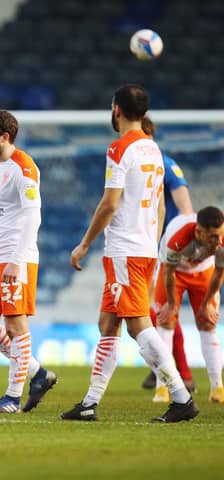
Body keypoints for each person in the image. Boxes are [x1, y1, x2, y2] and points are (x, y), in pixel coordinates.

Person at [60, 84, 198, 423]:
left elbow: (110, 204)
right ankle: (90, 402)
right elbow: (163, 208)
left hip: (125, 249)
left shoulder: (120, 149)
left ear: (116, 110)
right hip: (143, 247)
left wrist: (84, 243)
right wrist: (152, 242)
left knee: (138, 325)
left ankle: (181, 397)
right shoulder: (153, 149)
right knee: (108, 323)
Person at [0, 110, 57, 414]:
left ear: (4, 137)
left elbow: (33, 216)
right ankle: (37, 373)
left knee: (15, 325)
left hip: (15, 258)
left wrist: (16, 260)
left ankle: (11, 397)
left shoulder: (24, 167)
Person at [139, 117, 196, 397]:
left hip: (165, 248)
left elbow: (186, 208)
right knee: (148, 309)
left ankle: (182, 374)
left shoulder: (167, 164)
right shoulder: (135, 163)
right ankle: (162, 364)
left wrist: (182, 246)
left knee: (162, 311)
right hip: (143, 243)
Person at [153, 207, 224, 403]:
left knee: (208, 324)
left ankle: (218, 387)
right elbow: (168, 272)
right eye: (212, 237)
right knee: (166, 323)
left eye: (219, 235)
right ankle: (162, 389)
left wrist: (207, 303)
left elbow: (219, 272)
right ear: (198, 232)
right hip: (173, 272)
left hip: (203, 273)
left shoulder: (222, 240)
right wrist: (172, 304)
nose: (217, 241)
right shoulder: (177, 237)